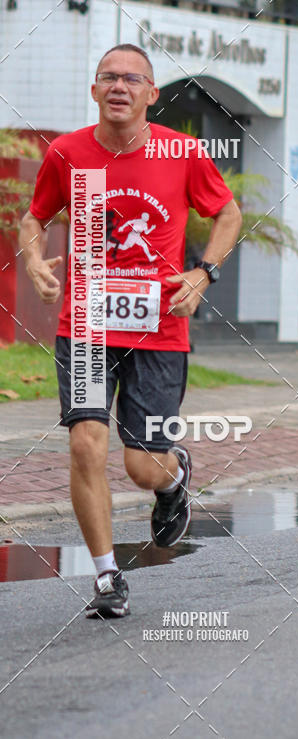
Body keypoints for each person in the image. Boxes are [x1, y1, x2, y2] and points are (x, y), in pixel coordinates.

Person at [20, 44, 242, 617]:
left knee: (142, 465)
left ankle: (173, 479)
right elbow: (35, 217)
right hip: (88, 327)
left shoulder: (182, 151)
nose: (119, 87)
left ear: (152, 95)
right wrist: (35, 261)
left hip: (159, 331)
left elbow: (228, 213)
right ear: (94, 91)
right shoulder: (68, 153)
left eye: (132, 79)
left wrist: (204, 272)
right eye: (108, 78)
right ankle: (105, 577)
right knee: (85, 443)